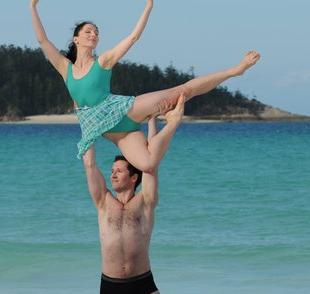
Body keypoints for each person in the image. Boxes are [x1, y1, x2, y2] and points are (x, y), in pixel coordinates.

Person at [30, 0, 260, 172]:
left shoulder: (103, 61)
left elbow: (133, 38)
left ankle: (234, 70)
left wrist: (148, 6)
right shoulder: (65, 68)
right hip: (117, 132)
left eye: (96, 32)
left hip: (125, 109)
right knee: (148, 164)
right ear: (76, 39)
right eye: (88, 31)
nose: (94, 34)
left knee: (183, 91)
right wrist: (33, 7)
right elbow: (43, 41)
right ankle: (172, 123)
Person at [82, 94, 203, 294]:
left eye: (120, 170)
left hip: (143, 285)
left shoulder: (145, 202)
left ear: (134, 177)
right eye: (114, 170)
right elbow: (90, 164)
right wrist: (88, 129)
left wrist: (154, 123)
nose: (114, 174)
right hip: (110, 287)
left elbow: (152, 161)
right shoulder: (103, 202)